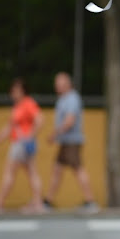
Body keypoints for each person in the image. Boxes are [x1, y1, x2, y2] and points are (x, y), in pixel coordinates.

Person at [0, 77, 46, 214]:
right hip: (21, 143)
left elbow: (40, 119)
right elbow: (9, 128)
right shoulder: (18, 107)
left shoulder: (27, 103)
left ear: (22, 91)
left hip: (21, 144)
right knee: (31, 173)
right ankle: (37, 202)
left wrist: (29, 135)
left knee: (11, 172)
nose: (13, 93)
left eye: (15, 90)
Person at [44, 72, 98, 214]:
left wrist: (54, 134)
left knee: (78, 169)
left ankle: (90, 201)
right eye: (56, 84)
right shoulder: (62, 99)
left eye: (60, 84)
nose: (57, 87)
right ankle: (48, 201)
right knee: (57, 170)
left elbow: (70, 121)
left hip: (72, 141)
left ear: (68, 84)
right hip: (65, 141)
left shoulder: (72, 98)